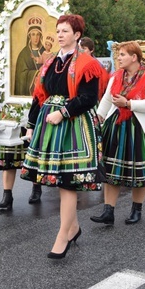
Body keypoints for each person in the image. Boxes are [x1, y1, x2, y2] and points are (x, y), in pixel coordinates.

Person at [20, 14, 108, 258]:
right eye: (58, 30)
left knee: (67, 181)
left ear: (77, 35)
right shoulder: (50, 63)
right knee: (59, 181)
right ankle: (74, 227)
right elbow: (40, 95)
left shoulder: (87, 63)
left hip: (74, 124)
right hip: (50, 123)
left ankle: (63, 235)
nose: (59, 34)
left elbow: (89, 98)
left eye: (65, 31)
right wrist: (30, 124)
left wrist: (64, 112)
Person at [92, 41, 145, 225]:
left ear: (134, 57)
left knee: (139, 173)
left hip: (139, 127)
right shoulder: (116, 76)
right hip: (115, 124)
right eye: (119, 55)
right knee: (110, 169)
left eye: (123, 54)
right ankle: (108, 211)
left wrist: (130, 104)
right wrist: (99, 116)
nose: (119, 58)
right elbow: (107, 99)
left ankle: (136, 210)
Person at [14, 18, 50, 96]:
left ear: (40, 36)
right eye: (33, 34)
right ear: (29, 36)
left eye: (38, 34)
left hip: (43, 88)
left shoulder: (45, 51)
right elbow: (21, 75)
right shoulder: (24, 54)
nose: (36, 37)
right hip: (30, 91)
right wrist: (36, 73)